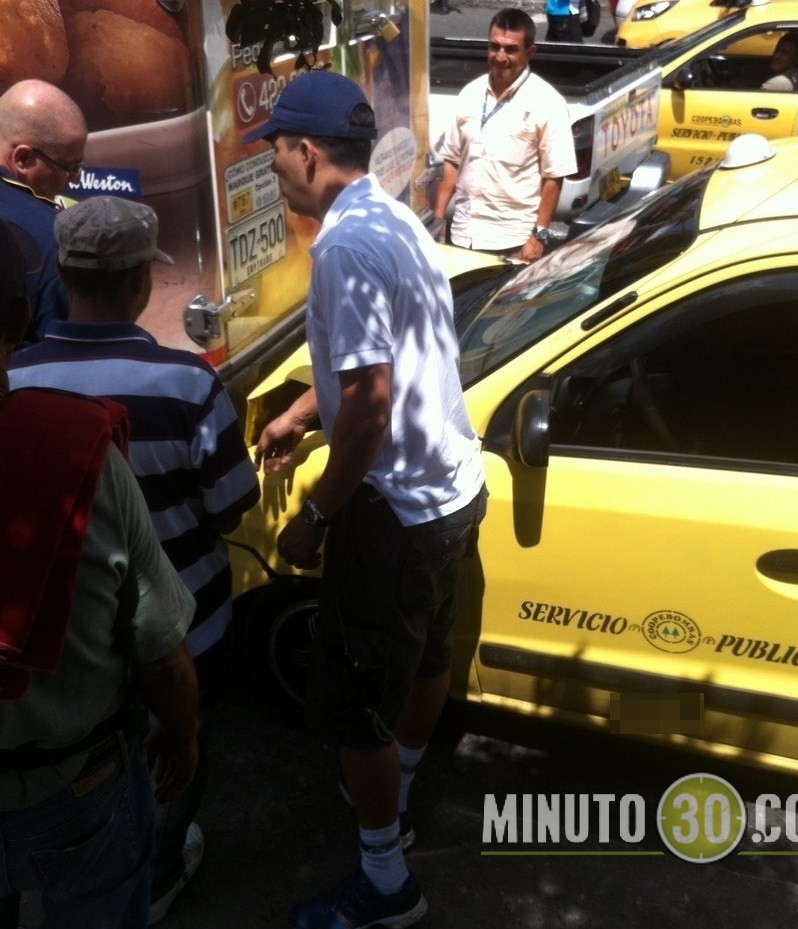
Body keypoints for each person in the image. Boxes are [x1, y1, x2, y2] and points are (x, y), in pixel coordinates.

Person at [244, 70, 487, 929]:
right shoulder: (392, 215)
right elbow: (385, 359)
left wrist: (315, 517)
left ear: (307, 153)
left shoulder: (344, 246)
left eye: (274, 150)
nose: (270, 166)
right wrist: (304, 411)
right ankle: (404, 797)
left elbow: (374, 407)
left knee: (354, 705)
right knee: (424, 662)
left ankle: (386, 880)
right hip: (454, 492)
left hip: (395, 513)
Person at [8, 195, 261, 925]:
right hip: (186, 629)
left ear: (61, 270)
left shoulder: (17, 382)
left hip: (60, 640)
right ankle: (158, 868)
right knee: (175, 749)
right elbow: (232, 505)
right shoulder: (189, 384)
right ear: (140, 285)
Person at [432, 8, 576, 261]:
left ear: (529, 53)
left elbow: (553, 177)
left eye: (510, 49)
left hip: (513, 242)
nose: (500, 57)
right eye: (494, 47)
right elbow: (453, 160)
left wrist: (538, 237)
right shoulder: (469, 94)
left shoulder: (547, 102)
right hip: (462, 235)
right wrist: (437, 217)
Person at [0, 79, 88, 343]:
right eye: (68, 167)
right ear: (23, 159)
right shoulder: (51, 238)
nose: (71, 181)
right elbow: (61, 358)